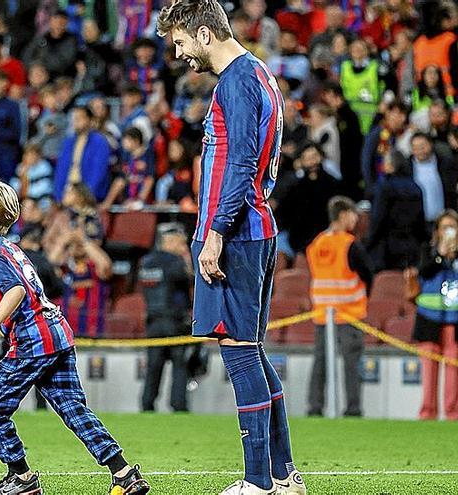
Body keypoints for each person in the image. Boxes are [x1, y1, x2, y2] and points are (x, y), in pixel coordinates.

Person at [157, 2, 304, 494]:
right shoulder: (259, 73)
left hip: (237, 232)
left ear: (204, 33)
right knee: (253, 353)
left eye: (180, 42)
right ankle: (283, 476)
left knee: (240, 354)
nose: (178, 53)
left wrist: (215, 232)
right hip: (255, 227)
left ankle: (257, 481)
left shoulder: (236, 80)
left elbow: (241, 162)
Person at [0, 179, 150, 495]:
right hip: (57, 332)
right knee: (72, 407)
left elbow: (16, 291)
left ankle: (21, 478)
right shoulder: (11, 248)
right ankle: (123, 473)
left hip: (34, 340)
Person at [306, 197, 373, 417]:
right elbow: (367, 275)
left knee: (320, 363)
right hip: (349, 314)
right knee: (351, 365)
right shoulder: (350, 244)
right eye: (353, 214)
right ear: (344, 215)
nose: (356, 219)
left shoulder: (316, 243)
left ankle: (315, 407)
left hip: (322, 313)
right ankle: (353, 409)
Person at [139, 223, 193, 412]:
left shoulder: (145, 262)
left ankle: (147, 404)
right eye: (181, 244)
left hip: (152, 320)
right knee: (180, 364)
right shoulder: (175, 262)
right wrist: (186, 262)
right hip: (174, 320)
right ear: (169, 243)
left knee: (153, 365)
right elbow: (189, 280)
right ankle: (178, 405)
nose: (184, 248)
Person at [413, 209, 458, 420]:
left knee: (453, 369)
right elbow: (424, 272)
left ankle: (452, 413)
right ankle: (427, 413)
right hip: (428, 318)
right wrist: (440, 256)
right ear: (437, 231)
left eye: (453, 226)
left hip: (454, 320)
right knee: (429, 370)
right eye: (445, 227)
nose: (449, 231)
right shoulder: (427, 251)